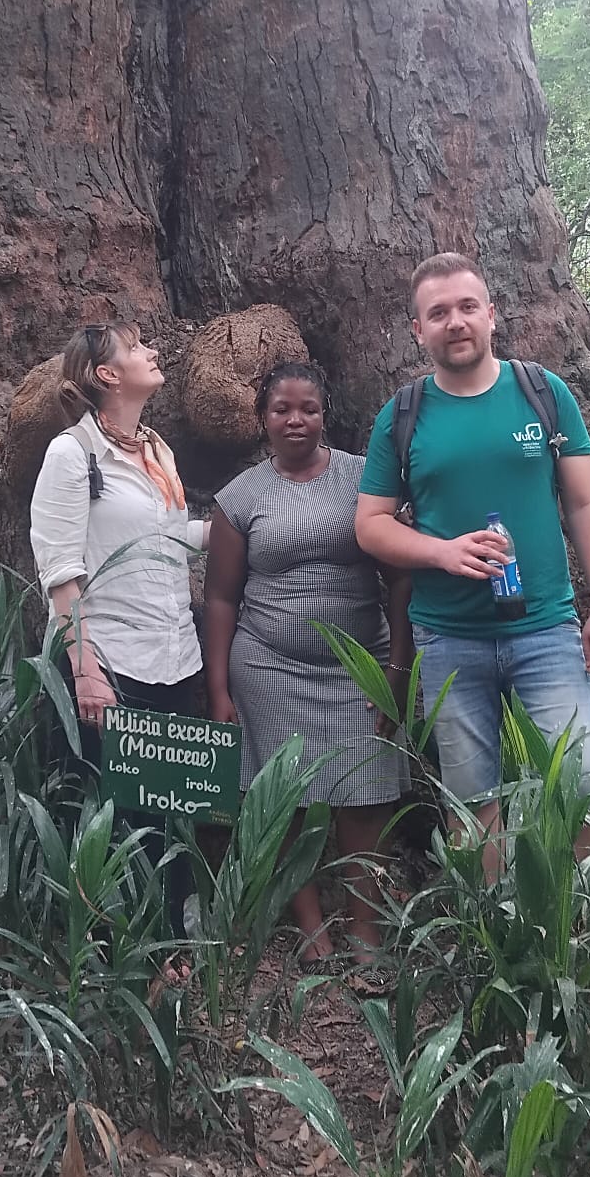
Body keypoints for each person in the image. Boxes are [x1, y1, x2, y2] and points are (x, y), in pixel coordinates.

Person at [354, 252, 590, 865]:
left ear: (491, 315)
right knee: (473, 804)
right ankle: (494, 921)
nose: (455, 322)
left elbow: (586, 504)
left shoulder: (542, 393)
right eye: (438, 313)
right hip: (447, 637)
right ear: (417, 329)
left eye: (467, 307)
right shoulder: (402, 415)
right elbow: (370, 525)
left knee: (587, 787)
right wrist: (442, 552)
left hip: (546, 630)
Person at [202, 361, 410, 963]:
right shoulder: (241, 497)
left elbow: (400, 579)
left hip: (360, 663)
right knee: (283, 793)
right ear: (262, 418)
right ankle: (310, 924)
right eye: (281, 409)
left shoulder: (363, 480)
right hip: (269, 666)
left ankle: (364, 925)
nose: (296, 420)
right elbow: (220, 598)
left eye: (309, 409)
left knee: (367, 787)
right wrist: (219, 690)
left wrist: (397, 669)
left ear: (325, 416)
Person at [29, 321, 209, 929]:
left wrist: (233, 529)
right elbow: (60, 571)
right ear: (107, 374)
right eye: (136, 348)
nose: (151, 352)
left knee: (168, 808)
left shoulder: (156, 451)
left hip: (175, 655)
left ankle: (169, 942)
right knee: (115, 816)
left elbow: (167, 538)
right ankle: (112, 948)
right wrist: (85, 670)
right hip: (110, 663)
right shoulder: (71, 453)